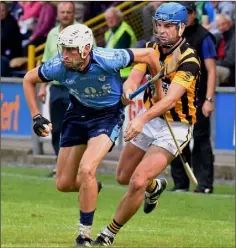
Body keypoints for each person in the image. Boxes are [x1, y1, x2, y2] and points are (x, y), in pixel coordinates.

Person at [23, 23, 160, 247]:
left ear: (86, 48)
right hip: (77, 114)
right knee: (64, 183)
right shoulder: (58, 66)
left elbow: (149, 54)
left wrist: (157, 91)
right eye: (63, 49)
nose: (65, 55)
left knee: (87, 169)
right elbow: (29, 79)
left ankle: (83, 235)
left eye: (71, 50)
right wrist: (36, 116)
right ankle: (91, 187)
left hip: (107, 116)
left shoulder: (108, 58)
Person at [93, 2, 200, 246]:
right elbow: (133, 78)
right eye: (159, 25)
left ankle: (108, 234)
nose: (161, 30)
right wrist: (129, 91)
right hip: (151, 119)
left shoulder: (190, 59)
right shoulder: (150, 48)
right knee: (123, 177)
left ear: (181, 28)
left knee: (137, 181)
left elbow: (171, 100)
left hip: (177, 125)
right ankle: (155, 187)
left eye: (168, 26)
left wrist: (141, 117)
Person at [170, 2, 216, 193]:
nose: (186, 16)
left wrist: (209, 99)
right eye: (182, 13)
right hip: (178, 98)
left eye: (188, 12)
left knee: (200, 140)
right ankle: (180, 184)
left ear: (194, 15)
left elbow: (211, 71)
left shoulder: (204, 37)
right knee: (176, 142)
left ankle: (204, 184)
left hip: (198, 99)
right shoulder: (174, 37)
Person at [37, 1, 76, 177]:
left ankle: (72, 166)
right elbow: (46, 62)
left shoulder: (81, 32)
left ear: (74, 13)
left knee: (73, 128)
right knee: (57, 128)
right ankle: (59, 164)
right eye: (63, 12)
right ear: (58, 14)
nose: (66, 15)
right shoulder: (52, 34)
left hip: (74, 88)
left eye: (69, 12)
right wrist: (43, 87)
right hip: (56, 88)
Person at [104, 7, 137, 78]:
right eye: (107, 18)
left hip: (125, 74)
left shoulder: (124, 31)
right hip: (114, 73)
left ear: (118, 18)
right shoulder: (109, 33)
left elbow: (118, 56)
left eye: (112, 17)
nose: (110, 20)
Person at [1, 1, 22, 77]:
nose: (1, 13)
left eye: (2, 11)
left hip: (10, 56)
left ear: (7, 10)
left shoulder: (11, 24)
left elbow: (5, 42)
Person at [215, 13, 235, 87]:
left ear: (230, 23)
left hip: (231, 70)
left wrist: (213, 63)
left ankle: (211, 97)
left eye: (223, 24)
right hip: (219, 65)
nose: (221, 27)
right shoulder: (218, 36)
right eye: (219, 26)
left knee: (214, 71)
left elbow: (230, 61)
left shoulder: (234, 36)